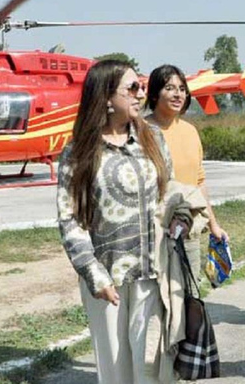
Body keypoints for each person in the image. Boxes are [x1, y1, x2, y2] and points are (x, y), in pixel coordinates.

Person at [56, 60, 190, 384]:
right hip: (108, 283)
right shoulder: (78, 153)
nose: (141, 94)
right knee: (115, 372)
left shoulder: (153, 138)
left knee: (153, 371)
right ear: (105, 97)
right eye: (132, 88)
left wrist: (182, 216)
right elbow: (69, 218)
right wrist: (93, 273)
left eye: (141, 86)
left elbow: (170, 190)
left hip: (153, 275)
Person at [145, 64, 228, 283]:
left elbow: (199, 182)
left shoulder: (190, 131)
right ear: (154, 94)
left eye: (182, 88)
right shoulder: (142, 131)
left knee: (189, 293)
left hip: (189, 228)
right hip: (156, 232)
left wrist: (213, 225)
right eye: (170, 88)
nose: (178, 94)